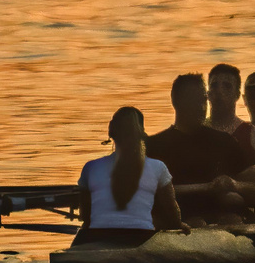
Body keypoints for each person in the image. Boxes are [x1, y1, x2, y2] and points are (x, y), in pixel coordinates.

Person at [146, 73, 255, 223]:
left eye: (203, 99)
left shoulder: (224, 142)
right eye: (193, 100)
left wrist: (235, 185)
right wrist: (206, 188)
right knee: (196, 222)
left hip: (222, 221)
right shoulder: (154, 146)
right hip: (178, 220)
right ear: (176, 101)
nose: (201, 107)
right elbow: (148, 191)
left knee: (232, 217)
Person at [73, 106, 183, 247]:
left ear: (112, 133)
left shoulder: (91, 168)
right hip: (141, 239)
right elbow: (172, 217)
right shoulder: (158, 167)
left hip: (95, 237)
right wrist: (180, 225)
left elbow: (85, 217)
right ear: (141, 135)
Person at [207, 63, 255, 199]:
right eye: (214, 85)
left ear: (237, 95)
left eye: (227, 86)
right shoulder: (194, 131)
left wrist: (235, 186)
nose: (219, 91)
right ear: (208, 94)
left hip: (246, 213)